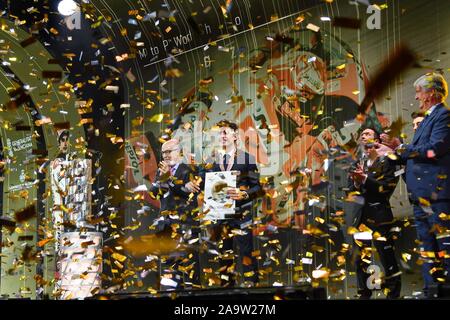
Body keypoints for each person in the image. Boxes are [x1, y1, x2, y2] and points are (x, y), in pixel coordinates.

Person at [386, 73, 450, 297]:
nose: (416, 97)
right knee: (427, 247)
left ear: (432, 93)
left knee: (444, 247)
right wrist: (397, 148)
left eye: (419, 92)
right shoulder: (428, 118)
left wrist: (403, 148)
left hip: (436, 196)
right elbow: (417, 153)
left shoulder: (443, 116)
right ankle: (431, 289)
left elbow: (436, 150)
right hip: (420, 197)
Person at [185, 120, 262, 287]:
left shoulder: (247, 158)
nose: (222, 136)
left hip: (241, 215)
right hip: (219, 214)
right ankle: (227, 289)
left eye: (225, 132)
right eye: (219, 133)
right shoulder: (210, 160)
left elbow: (257, 187)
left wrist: (244, 193)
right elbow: (200, 182)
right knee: (224, 253)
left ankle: (253, 287)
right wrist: (192, 184)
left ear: (235, 135)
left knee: (246, 251)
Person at [348, 128, 402, 299]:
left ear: (377, 140)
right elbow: (351, 191)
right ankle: (364, 292)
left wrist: (364, 179)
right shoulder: (359, 162)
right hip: (362, 216)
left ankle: (393, 294)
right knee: (360, 258)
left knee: (387, 256)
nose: (363, 136)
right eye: (362, 134)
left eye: (368, 134)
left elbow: (385, 187)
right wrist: (356, 184)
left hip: (380, 215)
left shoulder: (387, 160)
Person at [149, 139, 201, 290]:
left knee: (189, 268)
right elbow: (154, 194)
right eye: (163, 152)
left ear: (179, 152)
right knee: (169, 269)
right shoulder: (163, 171)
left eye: (169, 151)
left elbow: (185, 192)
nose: (165, 155)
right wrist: (161, 179)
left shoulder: (189, 170)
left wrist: (169, 179)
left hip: (186, 227)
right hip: (166, 227)